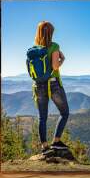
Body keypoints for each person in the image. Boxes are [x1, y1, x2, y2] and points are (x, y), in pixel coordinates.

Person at [30, 21, 69, 153]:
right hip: (53, 84)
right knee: (64, 113)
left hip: (38, 85)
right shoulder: (54, 46)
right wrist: (62, 59)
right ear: (51, 32)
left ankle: (44, 146)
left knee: (42, 117)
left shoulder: (35, 49)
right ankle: (56, 141)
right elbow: (55, 67)